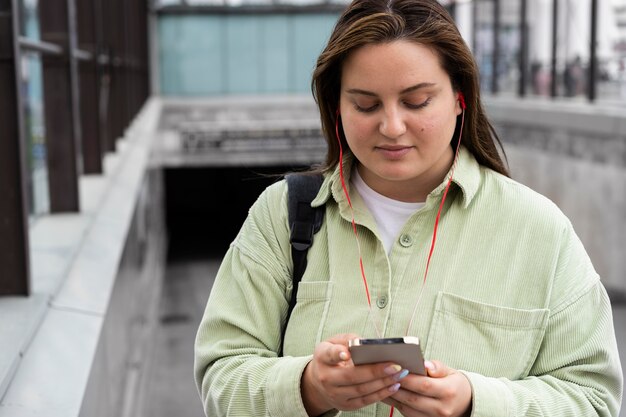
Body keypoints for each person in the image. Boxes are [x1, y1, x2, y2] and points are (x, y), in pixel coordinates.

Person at [194, 0, 623, 415]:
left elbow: (594, 398)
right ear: (335, 107)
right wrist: (309, 388)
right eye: (365, 105)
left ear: (460, 98)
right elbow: (221, 374)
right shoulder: (280, 216)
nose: (392, 127)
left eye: (417, 102)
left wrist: (476, 403)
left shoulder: (539, 230)